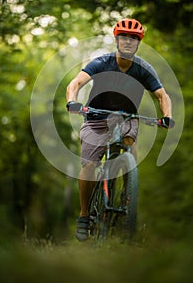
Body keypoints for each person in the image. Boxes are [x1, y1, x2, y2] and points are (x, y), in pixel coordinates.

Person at [66, 18, 174, 241]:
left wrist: (167, 116)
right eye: (124, 37)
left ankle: (128, 190)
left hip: (127, 117)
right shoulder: (102, 63)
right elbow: (75, 83)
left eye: (133, 38)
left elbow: (162, 95)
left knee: (128, 140)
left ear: (138, 43)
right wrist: (72, 101)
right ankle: (84, 215)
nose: (128, 41)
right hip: (96, 116)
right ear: (116, 39)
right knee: (89, 164)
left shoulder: (144, 69)